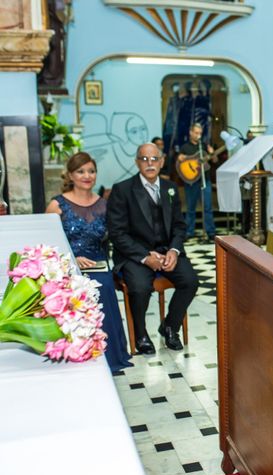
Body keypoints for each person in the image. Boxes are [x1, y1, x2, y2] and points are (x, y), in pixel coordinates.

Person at [107, 143, 199, 354]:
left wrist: (174, 251)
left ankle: (169, 326)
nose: (150, 164)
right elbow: (117, 233)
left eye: (154, 159)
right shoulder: (122, 190)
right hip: (134, 254)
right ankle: (141, 334)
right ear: (137, 162)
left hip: (166, 250)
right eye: (144, 159)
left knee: (191, 281)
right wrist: (144, 257)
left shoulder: (171, 189)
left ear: (162, 161)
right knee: (139, 288)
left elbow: (179, 226)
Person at [45, 152, 133, 373]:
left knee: (101, 284)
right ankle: (76, 353)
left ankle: (109, 354)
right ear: (71, 175)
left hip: (99, 266)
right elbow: (48, 247)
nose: (87, 175)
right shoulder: (57, 205)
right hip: (67, 269)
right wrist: (72, 258)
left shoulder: (105, 205)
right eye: (81, 171)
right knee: (78, 290)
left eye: (91, 171)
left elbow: (119, 237)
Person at [177, 123, 217, 240]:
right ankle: (189, 232)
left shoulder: (204, 146)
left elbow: (214, 160)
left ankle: (210, 232)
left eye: (200, 133)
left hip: (205, 180)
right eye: (196, 133)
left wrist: (212, 152)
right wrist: (180, 158)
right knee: (191, 208)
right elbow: (180, 163)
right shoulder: (185, 147)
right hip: (191, 182)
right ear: (191, 132)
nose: (198, 135)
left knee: (208, 207)